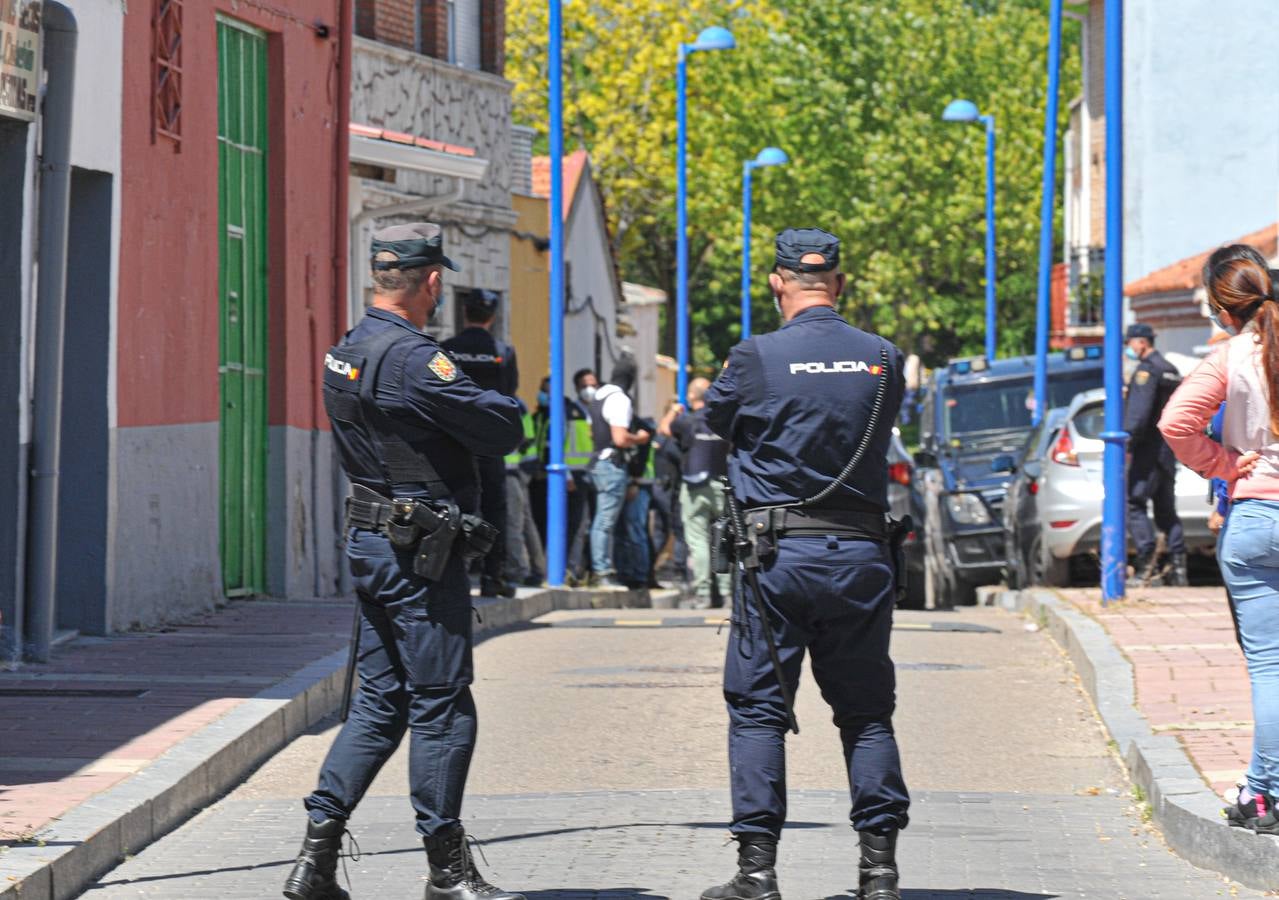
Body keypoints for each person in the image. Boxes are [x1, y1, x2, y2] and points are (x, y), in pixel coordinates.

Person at [284, 223, 525, 900]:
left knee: (380, 704)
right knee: (444, 707)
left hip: (371, 542)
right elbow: (502, 428)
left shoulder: (347, 351)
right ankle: (446, 872)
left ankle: (315, 861)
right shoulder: (417, 361)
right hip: (419, 552)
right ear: (431, 282)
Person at [701, 228, 909, 900]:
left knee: (759, 710)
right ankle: (878, 875)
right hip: (859, 556)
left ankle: (755, 876)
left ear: (776, 282)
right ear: (839, 283)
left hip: (775, 560)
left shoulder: (755, 357)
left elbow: (715, 424)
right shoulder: (883, 357)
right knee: (866, 712)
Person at [1160, 243, 1279, 837]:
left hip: (1257, 518)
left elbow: (1175, 423)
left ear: (1223, 308)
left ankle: (1263, 793)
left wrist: (1226, 464)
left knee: (1270, 667)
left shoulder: (1230, 358)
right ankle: (1262, 792)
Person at [443, 289, 519, 598]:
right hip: (489, 440)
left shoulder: (447, 349)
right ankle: (492, 576)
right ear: (492, 316)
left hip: (454, 440)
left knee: (455, 506)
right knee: (494, 508)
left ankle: (454, 572)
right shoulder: (503, 352)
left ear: (465, 314)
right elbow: (509, 394)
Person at [1123, 322, 1187, 587]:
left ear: (1141, 342)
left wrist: (1128, 443)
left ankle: (1146, 563)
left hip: (1148, 449)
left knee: (1133, 502)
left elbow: (1138, 414)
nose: (1129, 347)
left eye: (1130, 342)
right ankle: (1179, 568)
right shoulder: (1170, 370)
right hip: (1168, 450)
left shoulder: (1147, 371)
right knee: (1166, 511)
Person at [660, 376, 730, 609]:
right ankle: (726, 592)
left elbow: (663, 429)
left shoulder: (687, 421)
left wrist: (673, 411)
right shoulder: (723, 421)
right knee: (724, 538)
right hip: (723, 484)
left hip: (695, 487)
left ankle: (703, 593)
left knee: (698, 540)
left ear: (692, 396)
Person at [587, 354, 651, 590]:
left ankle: (603, 569)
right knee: (605, 522)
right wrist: (640, 438)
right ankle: (602, 571)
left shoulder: (598, 397)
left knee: (602, 520)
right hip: (612, 465)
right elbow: (620, 438)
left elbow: (593, 433)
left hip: (598, 463)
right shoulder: (619, 399)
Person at [529, 373, 595, 583]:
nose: (543, 395)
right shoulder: (540, 415)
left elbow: (562, 446)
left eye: (547, 391)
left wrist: (566, 474)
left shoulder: (566, 413)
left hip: (570, 476)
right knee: (544, 524)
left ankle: (568, 570)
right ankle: (550, 569)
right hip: (543, 477)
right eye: (543, 390)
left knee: (574, 524)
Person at [504, 397, 546, 587]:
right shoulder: (517, 402)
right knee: (525, 522)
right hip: (519, 470)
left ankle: (518, 571)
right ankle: (537, 569)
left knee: (515, 523)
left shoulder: (505, 401)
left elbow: (522, 439)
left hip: (510, 471)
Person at [615, 415, 657, 589]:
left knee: (635, 531)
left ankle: (640, 575)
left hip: (639, 485)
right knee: (625, 532)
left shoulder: (640, 426)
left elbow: (640, 458)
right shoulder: (629, 426)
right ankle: (628, 572)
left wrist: (635, 482)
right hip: (629, 484)